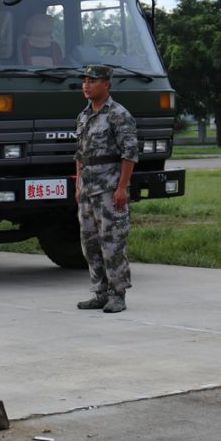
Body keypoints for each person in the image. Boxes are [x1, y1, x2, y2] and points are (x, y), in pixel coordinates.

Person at [74, 64, 139, 313]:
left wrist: (122, 187)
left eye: (92, 80)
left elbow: (130, 154)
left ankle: (117, 295)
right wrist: (78, 183)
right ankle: (99, 292)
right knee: (89, 243)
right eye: (84, 81)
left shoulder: (119, 115)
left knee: (112, 243)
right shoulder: (83, 116)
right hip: (88, 190)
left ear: (106, 84)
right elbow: (80, 154)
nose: (86, 85)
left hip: (110, 190)